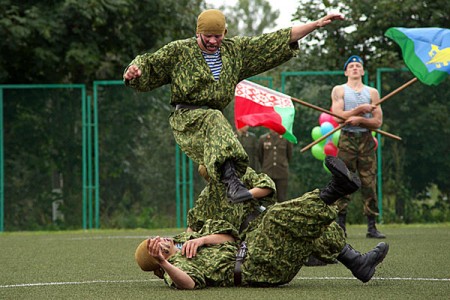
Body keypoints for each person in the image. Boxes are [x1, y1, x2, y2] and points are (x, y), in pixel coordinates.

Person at [123, 9, 344, 204]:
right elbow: (149, 62)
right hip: (187, 120)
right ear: (197, 33)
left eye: (217, 36)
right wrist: (134, 71)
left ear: (225, 34)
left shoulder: (234, 52)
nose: (212, 41)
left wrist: (315, 25)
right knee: (215, 121)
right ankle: (233, 184)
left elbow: (275, 40)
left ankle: (255, 203)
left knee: (234, 169)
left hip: (214, 124)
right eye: (207, 36)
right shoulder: (180, 51)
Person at [135, 156, 389, 289]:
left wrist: (200, 239)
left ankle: (358, 263)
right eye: (154, 246)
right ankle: (334, 191)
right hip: (254, 263)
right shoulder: (174, 266)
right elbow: (188, 284)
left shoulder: (238, 179)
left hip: (254, 238)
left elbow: (265, 189)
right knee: (281, 219)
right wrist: (165, 263)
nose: (159, 240)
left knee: (307, 225)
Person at [330, 55, 386, 239]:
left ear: (362, 71)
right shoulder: (339, 90)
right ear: (346, 71)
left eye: (358, 66)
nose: (355, 68)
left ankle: (372, 226)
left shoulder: (372, 93)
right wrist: (359, 110)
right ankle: (341, 225)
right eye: (351, 66)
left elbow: (377, 122)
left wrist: (361, 120)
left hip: (366, 140)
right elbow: (337, 116)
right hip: (347, 139)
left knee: (369, 182)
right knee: (344, 179)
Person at [258, 129, 293, 202]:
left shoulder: (286, 138)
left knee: (281, 198)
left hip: (281, 172)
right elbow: (260, 155)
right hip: (268, 172)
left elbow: (289, 155)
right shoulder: (263, 139)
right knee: (267, 199)